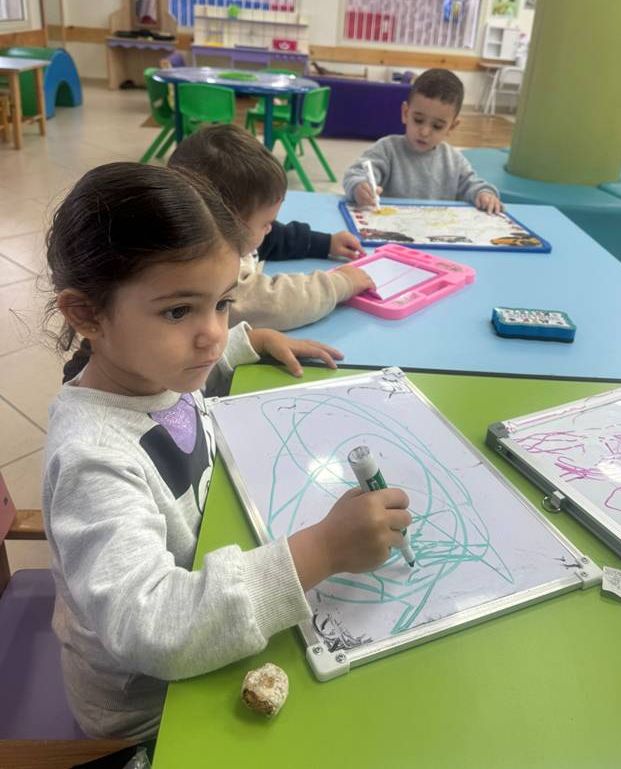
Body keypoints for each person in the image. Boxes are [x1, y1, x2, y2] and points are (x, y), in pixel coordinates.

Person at [42, 162, 411, 740]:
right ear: (88, 315)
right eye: (178, 311)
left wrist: (249, 341)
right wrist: (321, 550)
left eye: (221, 303)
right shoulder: (92, 461)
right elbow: (153, 628)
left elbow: (182, 396)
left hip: (212, 619)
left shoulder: (152, 371)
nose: (212, 333)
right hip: (152, 709)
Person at [168, 125, 374, 333]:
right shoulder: (209, 272)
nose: (270, 229)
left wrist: (325, 243)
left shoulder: (227, 235)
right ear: (227, 223)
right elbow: (274, 304)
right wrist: (341, 283)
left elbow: (275, 238)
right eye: (265, 223)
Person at [343, 69, 503, 214]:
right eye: (418, 120)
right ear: (406, 113)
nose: (425, 132)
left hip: (436, 231)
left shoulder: (454, 161)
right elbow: (355, 175)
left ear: (452, 127)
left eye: (437, 126)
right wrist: (359, 187)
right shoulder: (387, 149)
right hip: (391, 229)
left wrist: (484, 194)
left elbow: (472, 185)